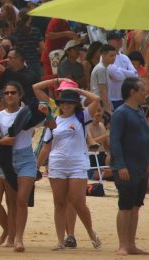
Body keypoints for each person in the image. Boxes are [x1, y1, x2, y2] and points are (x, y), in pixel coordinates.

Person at [36, 86, 102, 251]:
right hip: (57, 164)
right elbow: (46, 147)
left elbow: (96, 100)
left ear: (75, 104)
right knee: (59, 202)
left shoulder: (82, 117)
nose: (66, 105)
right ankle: (60, 240)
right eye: (63, 102)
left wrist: (78, 90)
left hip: (77, 163)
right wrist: (35, 167)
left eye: (70, 103)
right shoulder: (53, 121)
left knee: (78, 201)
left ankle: (91, 233)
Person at [0, 82, 37, 252]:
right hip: (7, 159)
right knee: (11, 202)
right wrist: (4, 141)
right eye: (6, 93)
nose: (9, 95)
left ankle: (19, 238)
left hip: (26, 157)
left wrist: (47, 115)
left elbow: (50, 125)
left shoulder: (28, 113)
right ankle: (11, 235)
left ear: (20, 95)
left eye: (13, 92)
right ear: (3, 96)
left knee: (21, 200)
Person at [110, 77, 149, 256]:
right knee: (125, 205)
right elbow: (115, 141)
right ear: (132, 92)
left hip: (140, 166)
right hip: (126, 166)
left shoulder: (140, 111)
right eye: (142, 90)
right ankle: (123, 244)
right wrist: (120, 165)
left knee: (135, 205)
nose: (145, 93)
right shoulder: (121, 112)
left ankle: (131, 243)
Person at [106, 31, 138, 110]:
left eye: (120, 39)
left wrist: (120, 70)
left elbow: (135, 75)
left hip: (126, 98)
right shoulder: (105, 57)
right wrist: (127, 74)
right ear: (109, 41)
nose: (120, 41)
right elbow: (117, 76)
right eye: (117, 39)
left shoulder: (124, 57)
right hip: (112, 99)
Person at [90, 44, 118, 115]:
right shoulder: (101, 69)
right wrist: (108, 109)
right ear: (103, 55)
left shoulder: (104, 68)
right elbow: (102, 91)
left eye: (115, 55)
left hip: (100, 102)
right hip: (99, 104)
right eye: (111, 56)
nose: (114, 58)